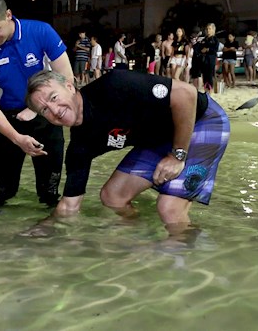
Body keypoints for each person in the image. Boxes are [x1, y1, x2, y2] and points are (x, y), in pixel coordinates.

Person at [20, 69, 230, 237]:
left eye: (54, 97)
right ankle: (141, 238)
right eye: (45, 110)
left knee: (169, 209)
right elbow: (69, 205)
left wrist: (178, 155)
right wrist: (44, 228)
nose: (55, 110)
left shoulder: (115, 85)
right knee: (112, 197)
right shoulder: (80, 147)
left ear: (70, 86)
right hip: (158, 137)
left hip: (201, 120)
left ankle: (192, 257)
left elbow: (186, 94)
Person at [0, 0, 75, 207]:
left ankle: (50, 233)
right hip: (8, 121)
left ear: (8, 15)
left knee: (49, 194)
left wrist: (36, 109)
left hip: (47, 115)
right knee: (3, 194)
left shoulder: (40, 31)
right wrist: (17, 138)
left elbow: (67, 80)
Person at [198, 23, 219, 93]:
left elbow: (215, 49)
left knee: (210, 76)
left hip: (211, 59)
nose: (208, 30)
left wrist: (207, 49)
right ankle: (206, 90)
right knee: (205, 76)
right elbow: (200, 48)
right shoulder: (204, 39)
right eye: (207, 29)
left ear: (213, 30)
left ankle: (211, 90)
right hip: (204, 60)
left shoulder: (215, 39)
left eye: (209, 29)